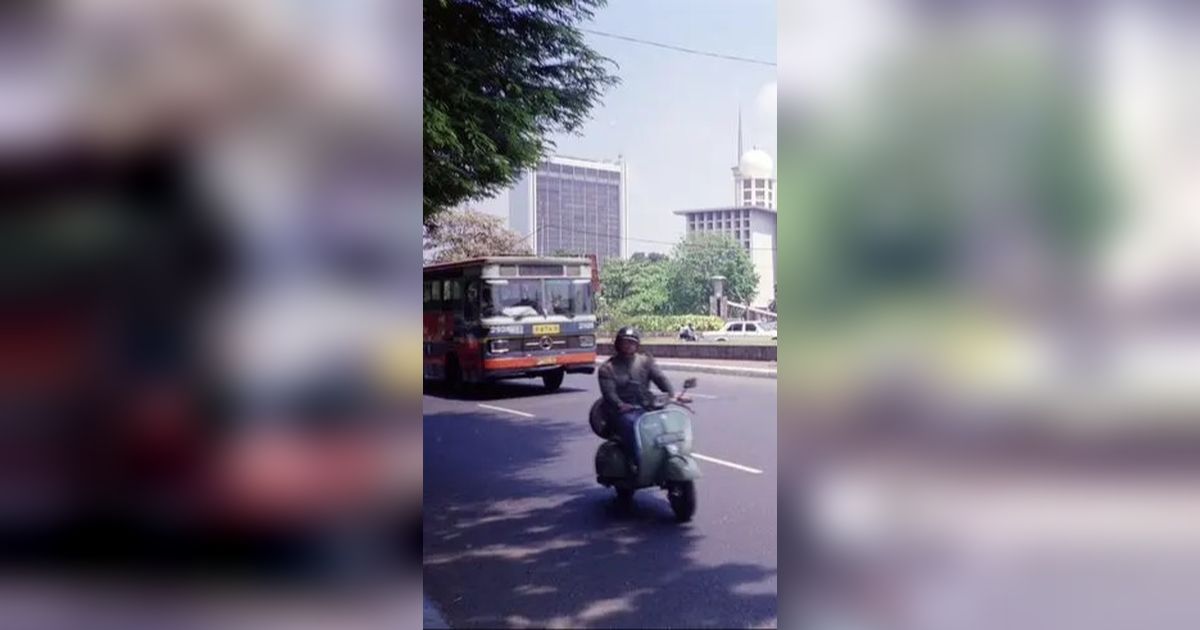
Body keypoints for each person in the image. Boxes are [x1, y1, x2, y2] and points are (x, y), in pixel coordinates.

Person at [597, 327, 689, 474]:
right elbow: (609, 393)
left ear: (637, 345)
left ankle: (665, 456)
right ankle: (636, 461)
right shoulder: (607, 368)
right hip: (622, 412)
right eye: (624, 342)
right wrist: (620, 404)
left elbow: (660, 378)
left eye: (631, 342)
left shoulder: (646, 361)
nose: (628, 345)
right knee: (631, 425)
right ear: (618, 344)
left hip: (646, 407)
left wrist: (672, 394)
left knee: (665, 424)